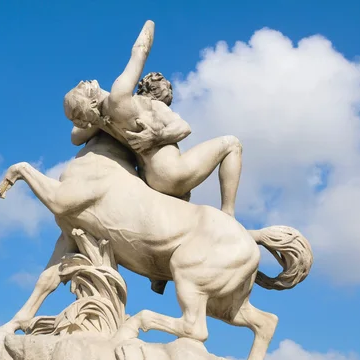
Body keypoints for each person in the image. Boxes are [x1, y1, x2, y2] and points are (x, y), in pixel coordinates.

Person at [63, 21, 242, 217]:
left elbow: (76, 137)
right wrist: (156, 136)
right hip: (171, 172)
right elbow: (184, 128)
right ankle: (228, 214)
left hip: (150, 180)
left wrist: (89, 114)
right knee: (232, 144)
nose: (84, 82)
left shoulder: (101, 121)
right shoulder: (137, 102)